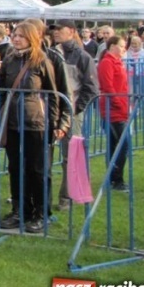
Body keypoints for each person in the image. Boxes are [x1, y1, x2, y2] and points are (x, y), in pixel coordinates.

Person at [0, 22, 66, 233]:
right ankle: (20, 210)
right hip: (12, 122)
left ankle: (41, 213)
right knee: (15, 168)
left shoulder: (42, 60)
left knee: (38, 170)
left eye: (21, 36)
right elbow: (1, 92)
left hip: (36, 122)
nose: (16, 39)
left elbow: (53, 95)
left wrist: (54, 124)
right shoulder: (8, 60)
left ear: (32, 38)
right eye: (15, 35)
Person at [49, 19, 98, 211]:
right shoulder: (50, 53)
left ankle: (66, 197)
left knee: (70, 155)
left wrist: (74, 110)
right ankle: (43, 197)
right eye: (54, 29)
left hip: (71, 111)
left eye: (59, 29)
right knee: (45, 154)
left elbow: (91, 88)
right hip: (50, 110)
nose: (55, 32)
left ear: (71, 31)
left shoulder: (82, 56)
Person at [97, 35, 130, 192]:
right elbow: (108, 86)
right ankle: (116, 179)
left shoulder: (118, 62)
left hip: (119, 107)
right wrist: (119, 103)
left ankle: (113, 178)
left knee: (115, 144)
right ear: (112, 46)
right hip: (113, 110)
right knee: (122, 144)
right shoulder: (107, 62)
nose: (124, 49)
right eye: (121, 46)